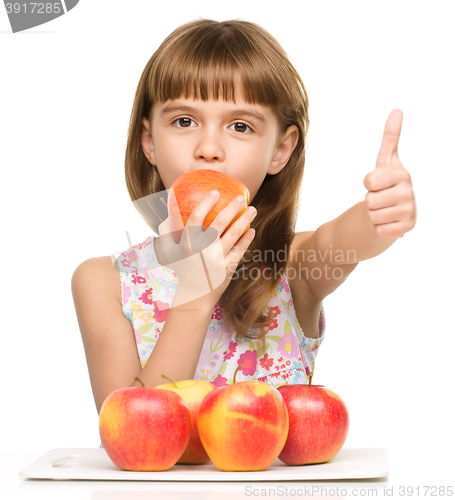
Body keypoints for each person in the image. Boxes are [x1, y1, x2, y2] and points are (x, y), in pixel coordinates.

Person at [71, 19, 417, 423]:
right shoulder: (105, 283)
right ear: (149, 142)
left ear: (280, 151)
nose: (209, 148)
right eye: (184, 121)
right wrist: (195, 299)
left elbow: (341, 240)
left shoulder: (293, 265)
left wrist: (382, 215)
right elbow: (133, 431)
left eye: (240, 126)